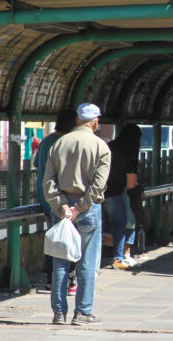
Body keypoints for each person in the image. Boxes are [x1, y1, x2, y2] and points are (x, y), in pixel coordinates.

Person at [43, 103, 111, 326]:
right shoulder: (101, 147)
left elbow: (48, 182)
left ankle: (59, 313)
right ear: (95, 122)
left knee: (60, 264)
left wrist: (62, 206)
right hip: (88, 209)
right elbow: (98, 185)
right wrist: (80, 207)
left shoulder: (59, 144)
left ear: (77, 121)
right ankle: (82, 312)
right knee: (87, 263)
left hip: (61, 210)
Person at [33, 109, 78, 294]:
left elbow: (37, 165)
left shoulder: (45, 142)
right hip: (61, 199)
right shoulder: (65, 143)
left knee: (53, 237)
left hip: (44, 197)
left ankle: (51, 279)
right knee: (66, 239)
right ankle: (68, 281)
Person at [102, 123, 142, 270]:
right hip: (115, 192)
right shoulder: (130, 153)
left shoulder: (110, 146)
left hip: (100, 192)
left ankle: (107, 241)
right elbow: (131, 184)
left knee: (106, 223)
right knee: (121, 223)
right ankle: (118, 257)